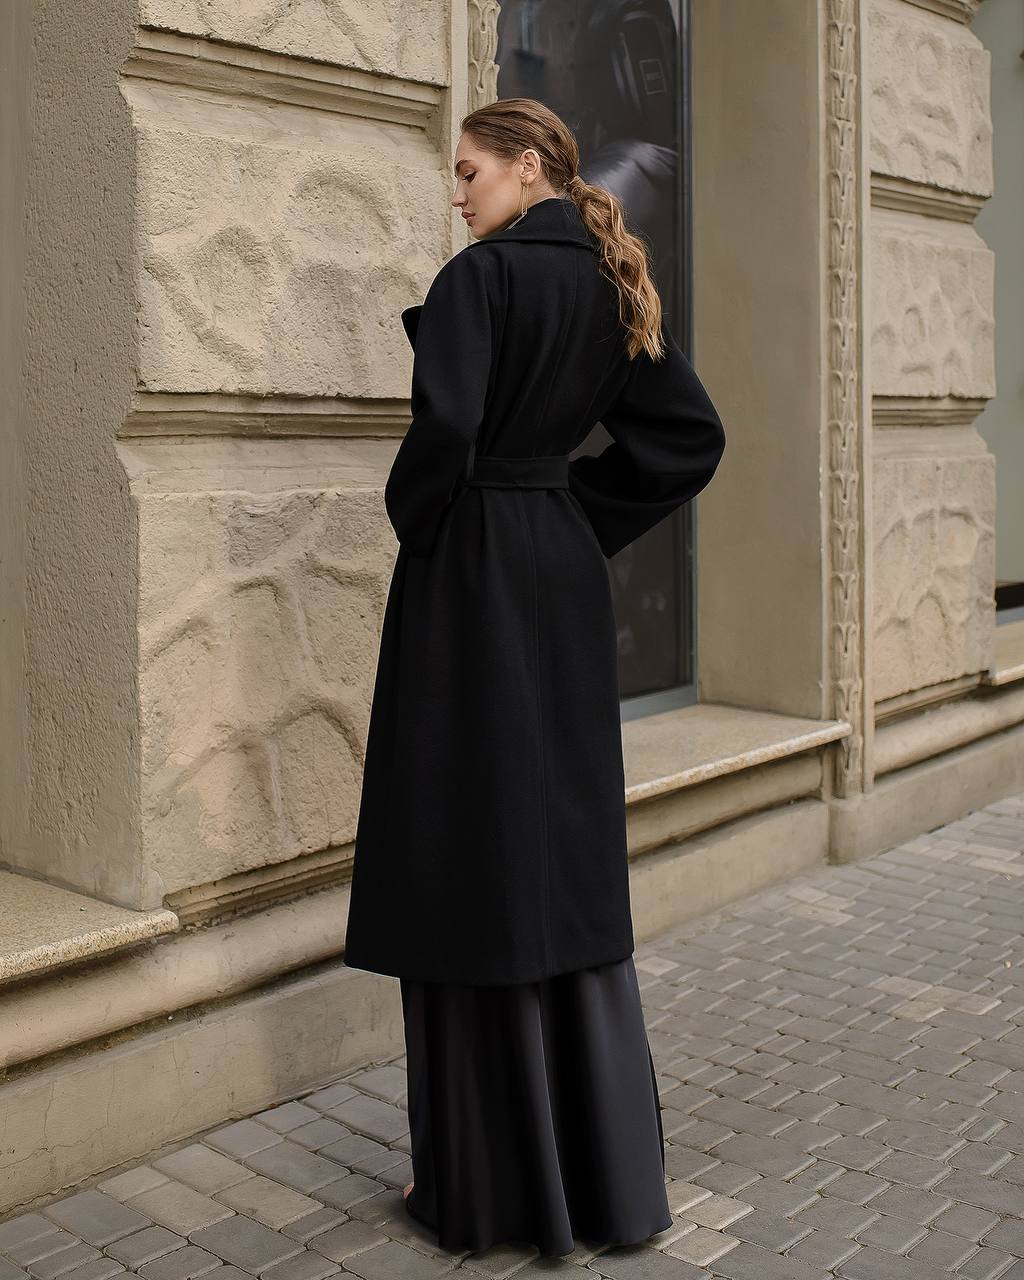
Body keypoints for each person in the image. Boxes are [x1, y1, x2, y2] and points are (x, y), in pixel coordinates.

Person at [343, 97, 726, 1258]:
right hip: (558, 582)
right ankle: (601, 1177)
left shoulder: (479, 280)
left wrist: (420, 522)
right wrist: (574, 518)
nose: (457, 195)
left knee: (468, 840)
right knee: (556, 842)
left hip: (471, 579)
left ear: (525, 167)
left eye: (468, 172)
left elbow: (446, 430)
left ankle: (492, 1184)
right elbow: (685, 440)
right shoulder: (612, 282)